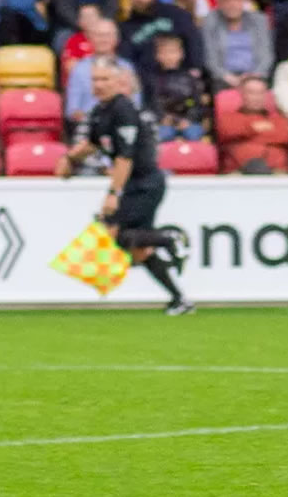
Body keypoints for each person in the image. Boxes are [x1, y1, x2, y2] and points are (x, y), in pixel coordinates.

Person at [55, 56, 193, 315]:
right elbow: (92, 144)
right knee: (138, 250)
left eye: (105, 79)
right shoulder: (100, 111)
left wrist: (113, 193)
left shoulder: (123, 110)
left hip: (145, 183)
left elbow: (124, 157)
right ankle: (179, 299)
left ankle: (169, 238)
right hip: (135, 183)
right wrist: (70, 159)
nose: (99, 84)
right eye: (95, 79)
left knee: (113, 234)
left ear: (119, 82)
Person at [201, 0, 274, 89]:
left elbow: (266, 56)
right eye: (227, 0)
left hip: (256, 77)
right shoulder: (210, 21)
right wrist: (228, 77)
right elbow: (210, 59)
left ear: (244, 1)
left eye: (236, 0)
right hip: (223, 79)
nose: (232, 5)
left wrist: (253, 76)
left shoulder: (259, 20)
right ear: (219, 3)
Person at [216, 75, 288, 173]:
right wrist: (263, 130)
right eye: (251, 93)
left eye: (260, 93)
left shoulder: (278, 119)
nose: (257, 97)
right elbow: (228, 130)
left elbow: (285, 136)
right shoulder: (227, 118)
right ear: (241, 94)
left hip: (276, 174)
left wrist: (247, 134)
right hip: (239, 174)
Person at [142, 33, 210, 142]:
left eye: (172, 52)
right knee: (161, 135)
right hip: (163, 122)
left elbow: (194, 102)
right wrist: (161, 118)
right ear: (157, 56)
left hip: (189, 122)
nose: (169, 56)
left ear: (181, 54)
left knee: (193, 135)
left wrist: (188, 119)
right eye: (164, 53)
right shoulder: (151, 79)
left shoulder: (190, 79)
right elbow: (150, 103)